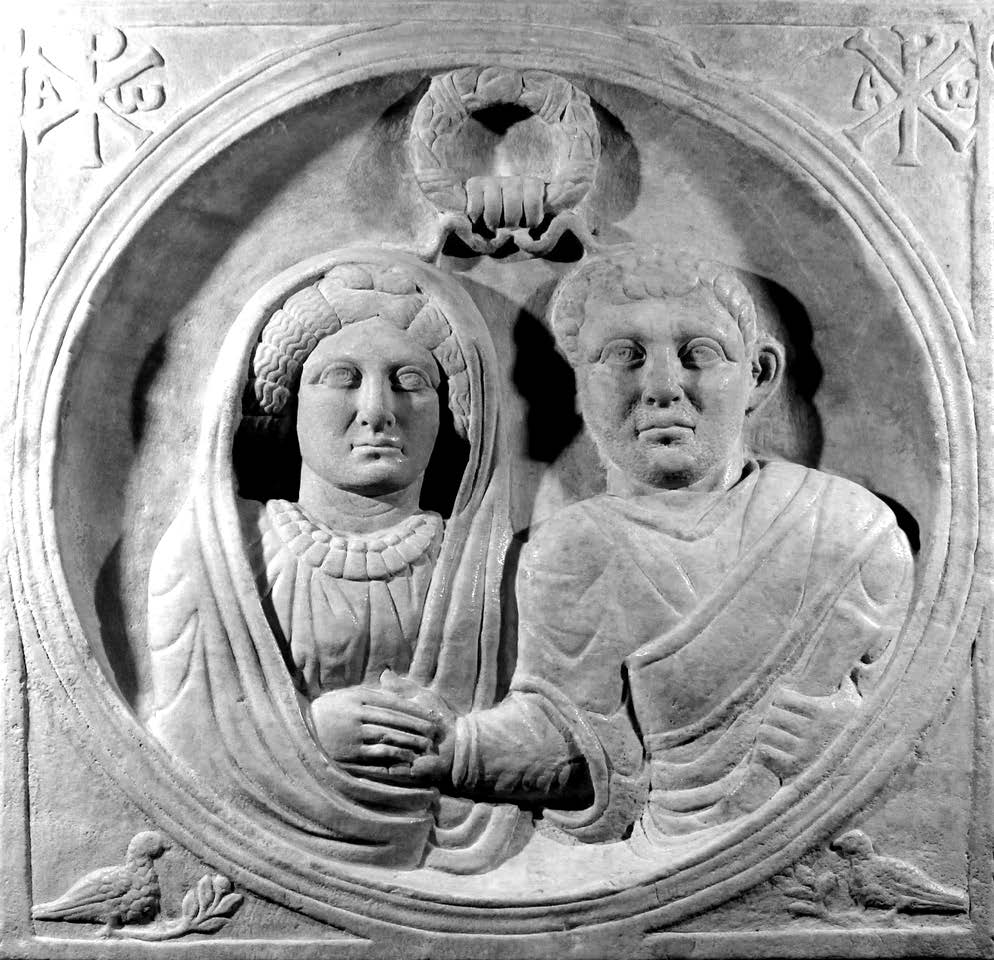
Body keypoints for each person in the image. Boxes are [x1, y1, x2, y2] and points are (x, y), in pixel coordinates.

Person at [411, 248, 914, 847]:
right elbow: (579, 749)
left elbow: (928, 727)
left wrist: (850, 738)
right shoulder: (571, 551)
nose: (662, 387)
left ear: (759, 375)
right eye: (624, 356)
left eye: (698, 354)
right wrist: (455, 750)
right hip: (665, 853)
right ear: (577, 384)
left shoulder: (847, 530)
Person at [146, 249, 520, 871]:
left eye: (411, 382)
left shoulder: (491, 565)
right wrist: (306, 734)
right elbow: (176, 747)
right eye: (341, 378)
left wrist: (460, 747)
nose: (377, 409)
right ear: (289, 404)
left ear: (451, 412)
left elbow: (559, 735)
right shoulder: (218, 555)